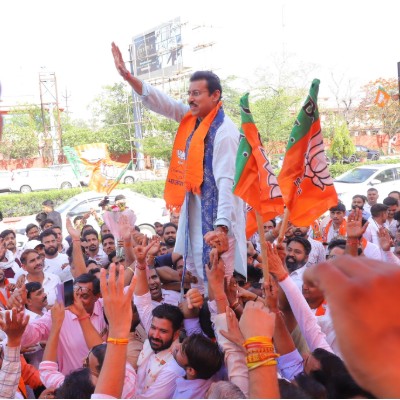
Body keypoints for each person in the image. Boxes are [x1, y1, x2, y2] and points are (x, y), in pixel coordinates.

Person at [112, 42, 246, 290]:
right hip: (194, 212)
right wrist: (129, 77)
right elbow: (164, 103)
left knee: (219, 285)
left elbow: (226, 182)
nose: (190, 99)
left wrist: (221, 228)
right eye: (190, 93)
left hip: (218, 220)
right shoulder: (194, 120)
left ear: (215, 95)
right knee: (195, 281)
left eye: (197, 93)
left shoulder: (225, 132)